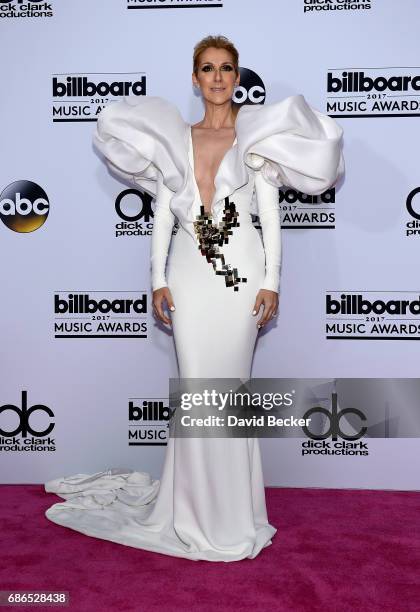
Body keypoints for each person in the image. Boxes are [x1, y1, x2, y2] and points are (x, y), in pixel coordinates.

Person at [44, 35, 344, 562]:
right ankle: (191, 510)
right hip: (186, 277)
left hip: (243, 279)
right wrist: (156, 279)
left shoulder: (257, 137)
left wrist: (272, 282)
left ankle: (233, 514)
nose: (219, 77)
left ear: (236, 76)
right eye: (208, 68)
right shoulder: (173, 139)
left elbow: (270, 220)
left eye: (227, 68)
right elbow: (162, 216)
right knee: (195, 389)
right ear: (195, 78)